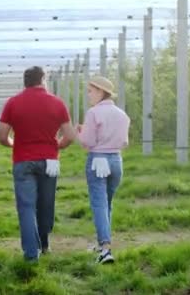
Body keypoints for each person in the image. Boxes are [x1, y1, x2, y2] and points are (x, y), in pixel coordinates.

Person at [0, 66, 77, 262]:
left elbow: (1, 136)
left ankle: (31, 255)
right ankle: (45, 243)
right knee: (46, 203)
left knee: (26, 207)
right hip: (49, 160)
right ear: (43, 80)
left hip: (23, 160)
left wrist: (12, 143)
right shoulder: (57, 103)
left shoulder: (13, 103)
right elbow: (70, 136)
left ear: (25, 81)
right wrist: (55, 146)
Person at [77, 76, 130, 264]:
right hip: (116, 160)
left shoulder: (93, 113)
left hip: (98, 160)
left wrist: (81, 133)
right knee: (107, 203)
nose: (89, 95)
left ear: (100, 92)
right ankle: (101, 244)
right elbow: (124, 141)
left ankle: (105, 250)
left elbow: (88, 141)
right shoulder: (122, 114)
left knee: (98, 204)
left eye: (90, 91)